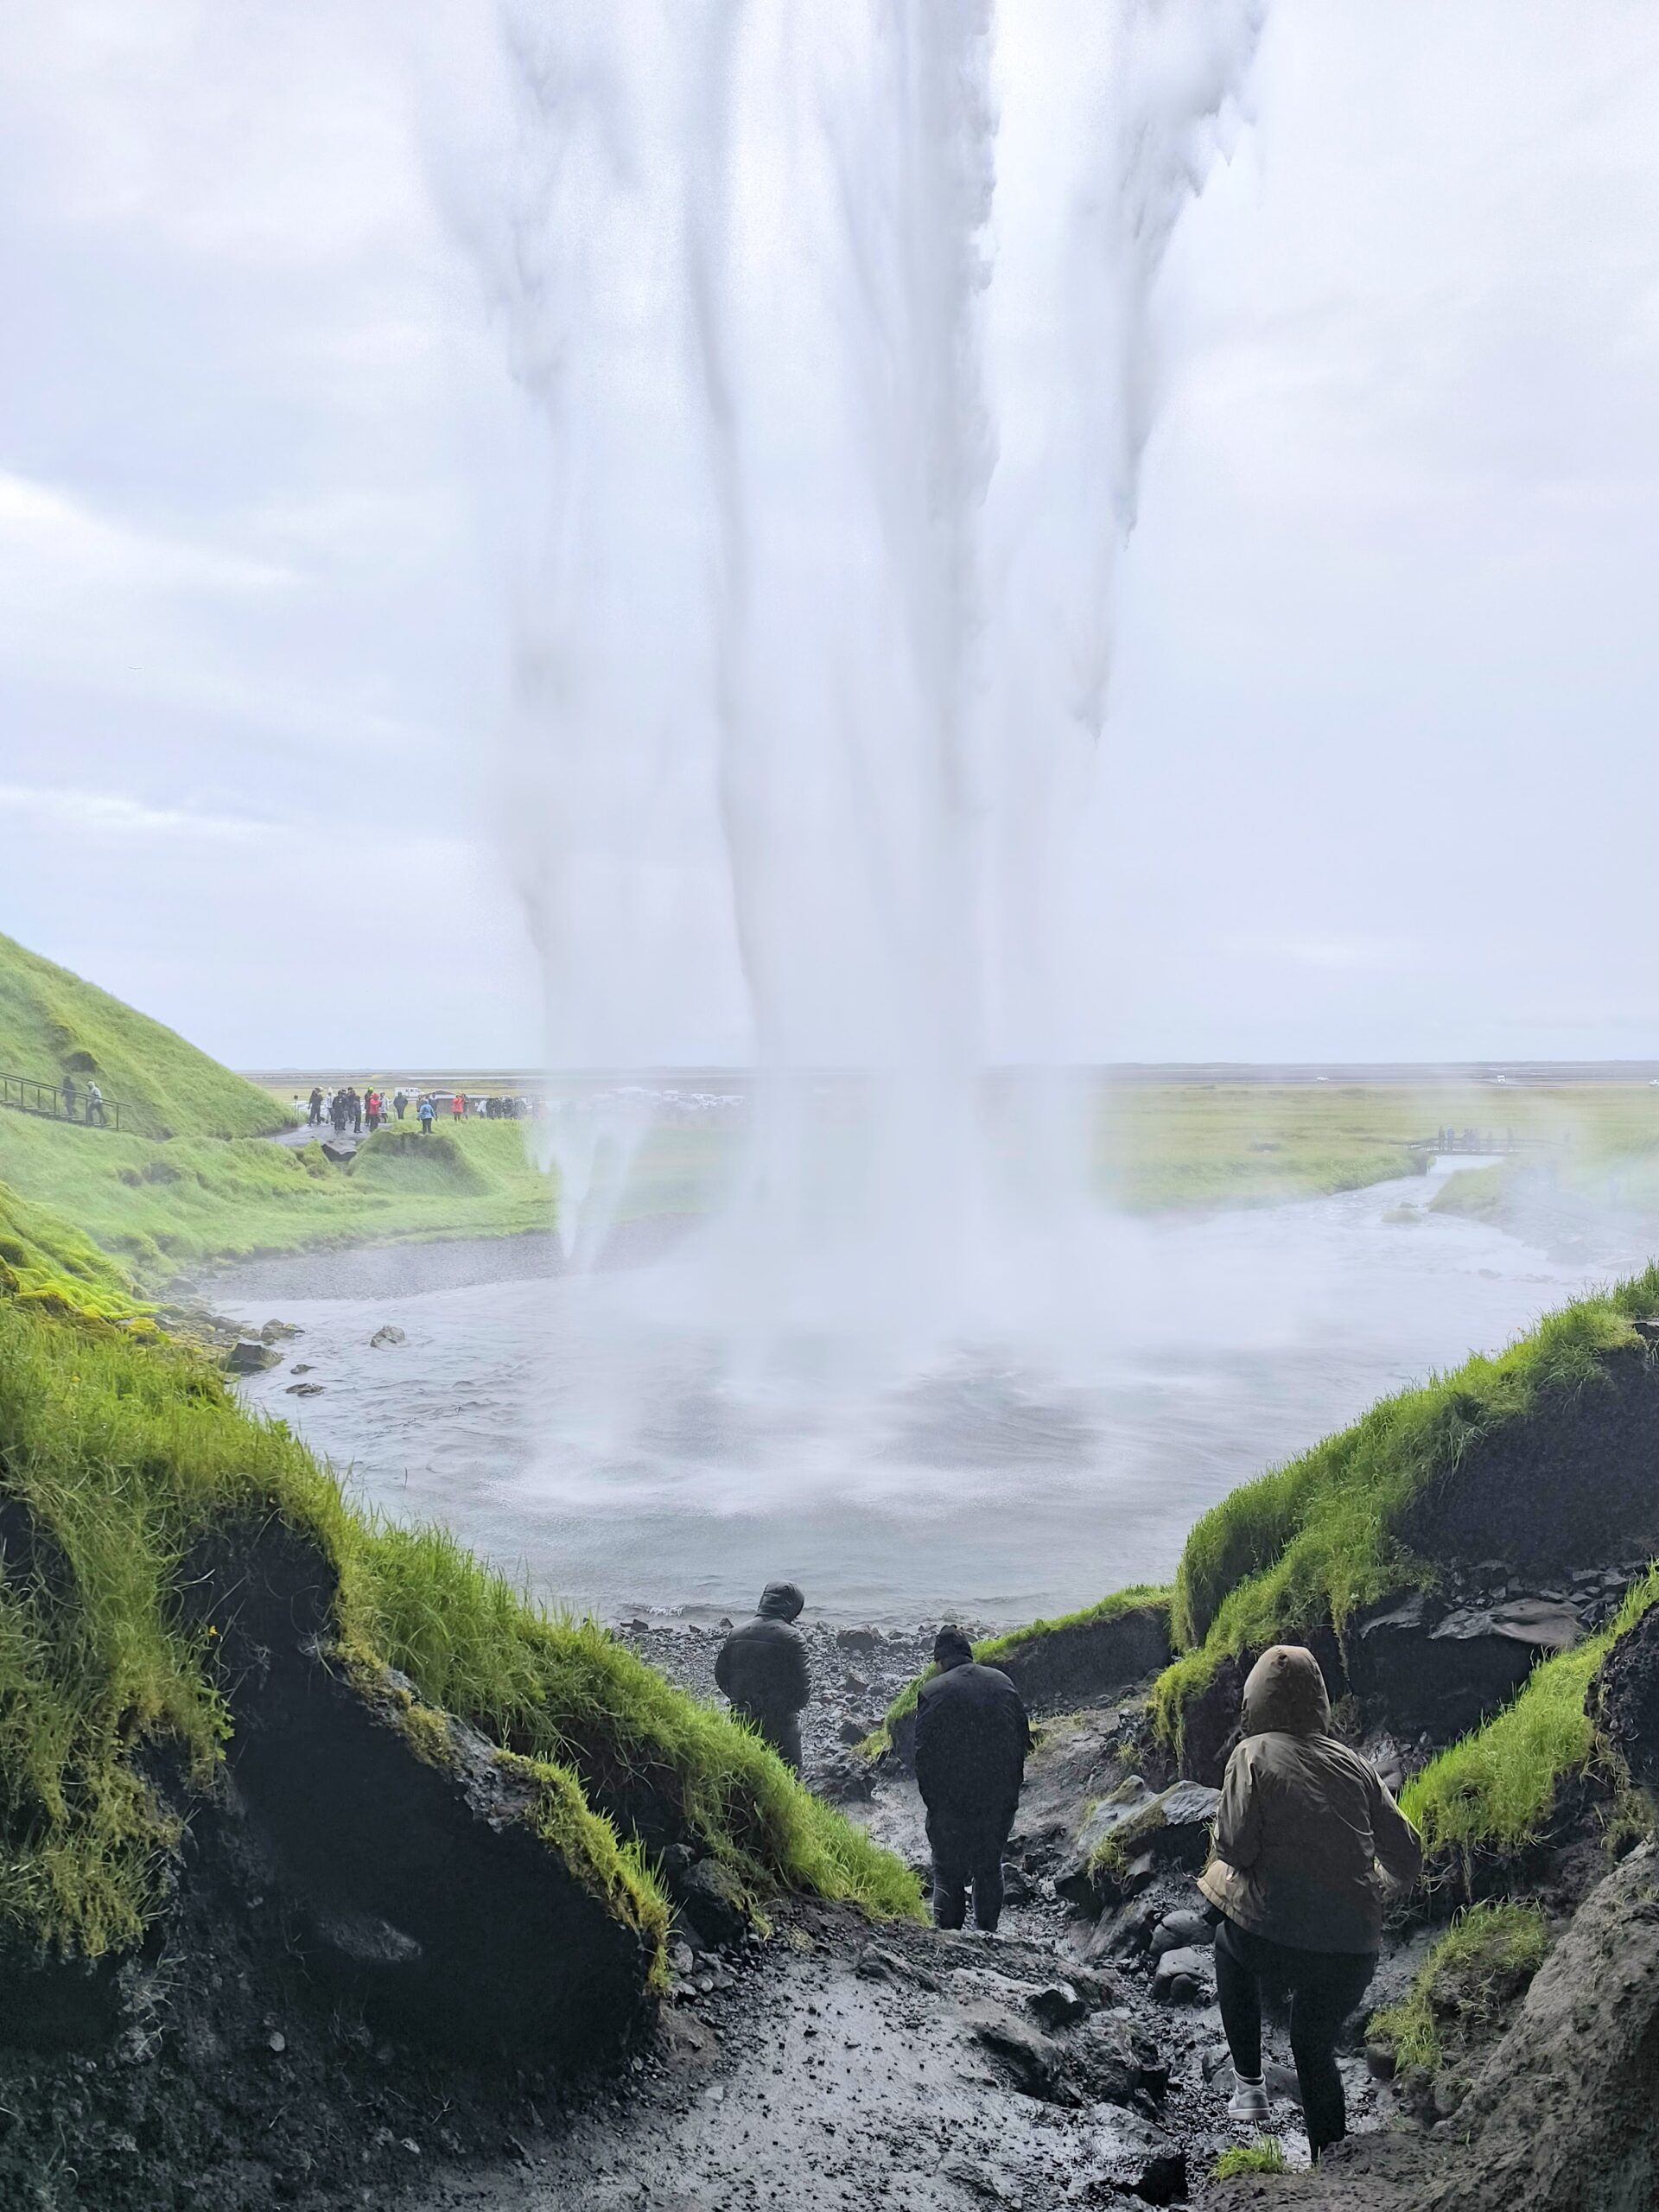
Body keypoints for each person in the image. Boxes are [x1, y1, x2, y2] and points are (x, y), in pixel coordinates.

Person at [1199, 1644, 1423, 2159]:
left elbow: (1235, 1847)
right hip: (1354, 1953)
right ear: (1318, 1699)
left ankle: (1249, 2084)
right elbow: (1407, 1854)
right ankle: (1331, 2156)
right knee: (1312, 2042)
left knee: (1225, 1944)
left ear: (1255, 1699)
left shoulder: (1251, 1755)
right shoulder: (1355, 1764)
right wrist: (1375, 1889)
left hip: (1276, 1941)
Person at [913, 1626, 1031, 1935]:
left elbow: (923, 1755)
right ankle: (987, 1933)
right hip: (998, 1798)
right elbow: (1023, 1738)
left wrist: (934, 1804)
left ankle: (950, 1936)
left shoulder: (932, 1691)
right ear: (969, 1654)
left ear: (940, 1660)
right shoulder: (1002, 1682)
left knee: (947, 1871)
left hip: (952, 1802)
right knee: (988, 1867)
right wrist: (1010, 1791)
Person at [714, 1583, 811, 1772]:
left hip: (741, 1718)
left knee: (742, 1775)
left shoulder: (736, 1633)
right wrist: (781, 1709)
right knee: (790, 1778)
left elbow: (721, 1676)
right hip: (781, 1725)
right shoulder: (793, 1639)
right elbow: (802, 1694)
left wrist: (740, 1700)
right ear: (793, 1607)